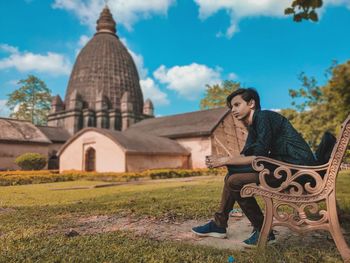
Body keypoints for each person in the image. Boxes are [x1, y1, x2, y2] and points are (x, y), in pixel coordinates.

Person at [191, 88, 317, 246]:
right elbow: (246, 155)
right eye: (231, 107)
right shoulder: (254, 126)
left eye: (237, 105)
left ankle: (262, 230)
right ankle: (219, 224)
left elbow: (259, 156)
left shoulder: (263, 117)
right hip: (284, 168)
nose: (233, 110)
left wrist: (224, 160)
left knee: (234, 181)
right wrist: (224, 160)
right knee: (232, 175)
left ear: (251, 103)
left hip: (298, 171)